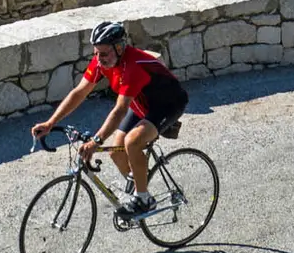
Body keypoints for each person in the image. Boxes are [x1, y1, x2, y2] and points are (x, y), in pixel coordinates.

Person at [30, 20, 188, 219]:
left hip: (167, 104)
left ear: (120, 48)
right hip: (141, 104)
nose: (98, 58)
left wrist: (96, 141)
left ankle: (144, 198)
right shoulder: (101, 61)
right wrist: (50, 123)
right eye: (96, 53)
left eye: (103, 53)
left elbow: (120, 109)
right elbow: (79, 92)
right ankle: (140, 188)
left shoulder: (133, 66)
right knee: (116, 152)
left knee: (132, 142)